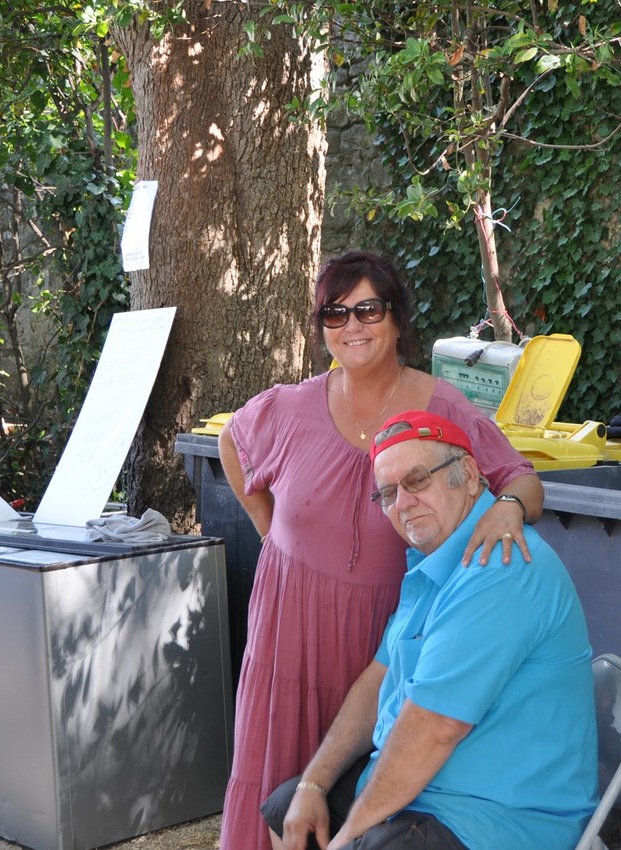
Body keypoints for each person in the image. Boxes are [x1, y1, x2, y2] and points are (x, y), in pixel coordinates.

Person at [218, 251, 546, 850]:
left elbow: (521, 478)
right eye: (335, 313)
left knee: (360, 783)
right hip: (288, 626)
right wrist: (273, 536)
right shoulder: (289, 407)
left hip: (380, 634)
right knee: (275, 782)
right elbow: (231, 443)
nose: (352, 326)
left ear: (396, 318)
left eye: (368, 309)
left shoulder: (440, 406)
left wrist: (508, 509)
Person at [262, 410, 597, 850]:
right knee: (290, 809)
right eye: (387, 493)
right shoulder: (434, 560)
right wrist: (314, 784)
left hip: (496, 818)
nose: (402, 503)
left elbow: (434, 729)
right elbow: (378, 680)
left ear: (469, 476)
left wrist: (346, 839)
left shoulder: (497, 566)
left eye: (417, 480)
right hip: (428, 792)